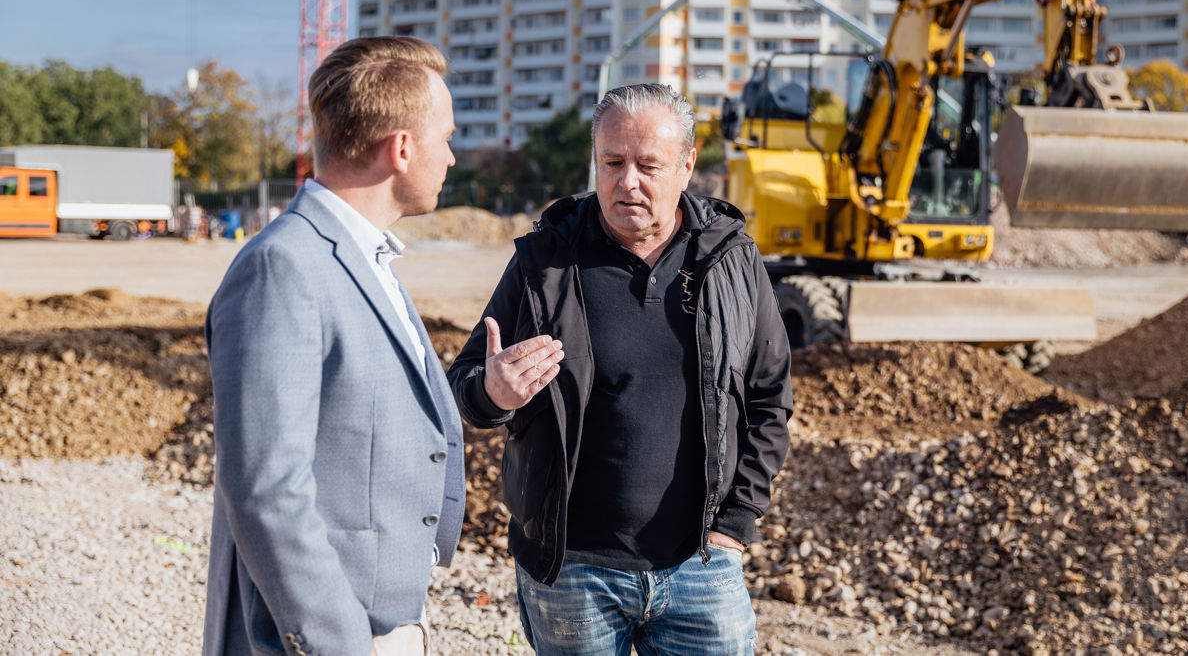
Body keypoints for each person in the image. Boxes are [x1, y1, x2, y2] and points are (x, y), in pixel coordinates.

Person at [449, 83, 793, 654]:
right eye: (612, 162)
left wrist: (734, 525)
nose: (626, 181)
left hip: (700, 568)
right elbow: (463, 388)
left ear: (686, 168)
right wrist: (492, 391)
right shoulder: (546, 262)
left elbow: (769, 398)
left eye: (647, 165)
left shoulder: (730, 259)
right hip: (572, 572)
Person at [202, 36, 465, 656]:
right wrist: (340, 642)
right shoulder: (283, 268)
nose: (452, 157)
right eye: (445, 136)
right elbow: (266, 488)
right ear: (402, 148)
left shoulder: (365, 256)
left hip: (381, 618)